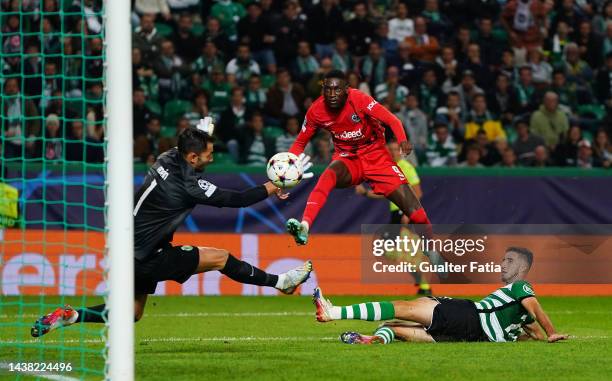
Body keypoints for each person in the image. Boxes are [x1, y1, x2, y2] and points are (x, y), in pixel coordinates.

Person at [31, 127, 312, 337]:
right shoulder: (189, 186)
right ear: (192, 157)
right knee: (220, 257)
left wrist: (205, 131)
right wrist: (276, 185)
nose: (212, 159)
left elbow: (189, 145)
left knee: (132, 313)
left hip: (126, 249)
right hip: (147, 257)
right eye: (208, 155)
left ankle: (72, 315)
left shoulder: (166, 157)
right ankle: (281, 282)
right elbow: (236, 199)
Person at [285, 70, 431, 246]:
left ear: (347, 89)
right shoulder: (316, 111)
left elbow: (392, 120)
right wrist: (286, 169)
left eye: (337, 89)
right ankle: (304, 226)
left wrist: (402, 140)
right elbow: (299, 143)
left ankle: (432, 251)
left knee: (417, 214)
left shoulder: (360, 99)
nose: (332, 94)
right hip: (348, 158)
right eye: (328, 89)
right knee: (328, 175)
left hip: (376, 157)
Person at [313, 247, 568, 345]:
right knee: (397, 328)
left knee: (405, 308)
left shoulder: (521, 287)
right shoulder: (517, 314)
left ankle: (333, 312)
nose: (503, 264)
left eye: (509, 261)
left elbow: (536, 309)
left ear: (523, 268)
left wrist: (552, 331)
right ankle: (373, 340)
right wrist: (520, 334)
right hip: (474, 338)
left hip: (470, 316)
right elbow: (532, 331)